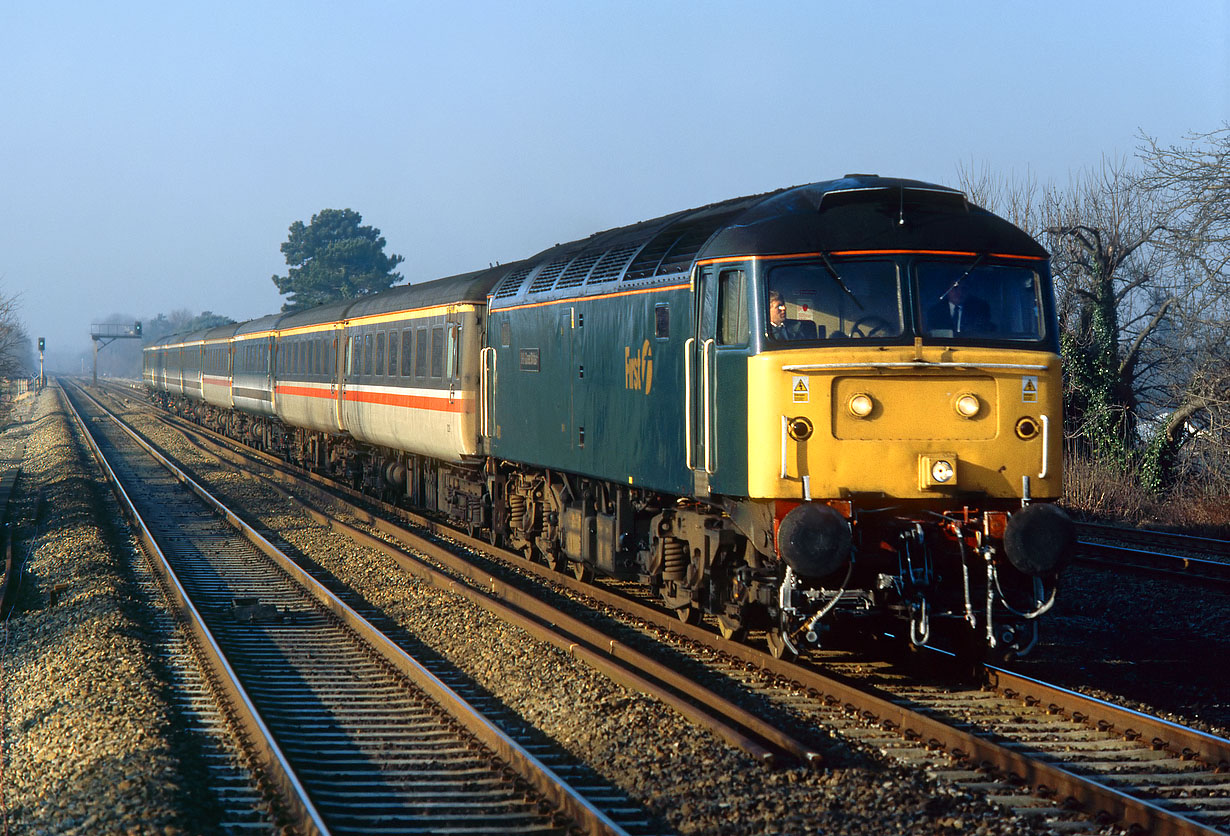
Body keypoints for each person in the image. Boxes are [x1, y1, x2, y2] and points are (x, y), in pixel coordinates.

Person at [926, 283, 993, 335]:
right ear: (947, 290)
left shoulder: (979, 310)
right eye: (955, 288)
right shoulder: (935, 312)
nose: (959, 292)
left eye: (964, 289)